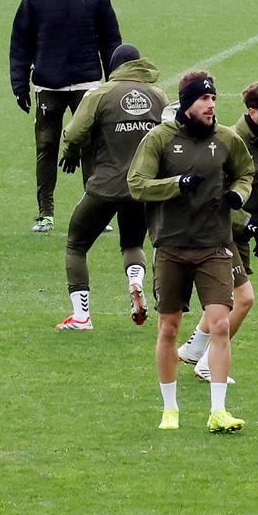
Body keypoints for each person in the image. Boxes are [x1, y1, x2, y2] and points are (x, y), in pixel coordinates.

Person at [126, 72, 253, 433]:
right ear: (186, 103)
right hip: (171, 248)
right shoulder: (160, 140)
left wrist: (238, 195)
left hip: (215, 247)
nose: (211, 105)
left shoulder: (227, 139)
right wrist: (176, 185)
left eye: (213, 100)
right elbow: (137, 185)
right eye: (203, 100)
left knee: (220, 326)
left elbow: (246, 172)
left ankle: (219, 411)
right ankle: (170, 408)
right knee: (168, 327)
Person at [9, 0, 121, 233]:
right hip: (48, 85)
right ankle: (45, 213)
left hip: (87, 84)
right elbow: (20, 43)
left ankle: (94, 211)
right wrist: (19, 84)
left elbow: (111, 40)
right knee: (46, 146)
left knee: (91, 147)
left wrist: (115, 78)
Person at [178, 80, 258, 382]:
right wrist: (248, 222)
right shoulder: (230, 143)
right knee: (243, 299)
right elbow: (217, 195)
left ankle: (194, 349)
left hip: (241, 230)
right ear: (252, 112)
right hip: (223, 230)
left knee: (225, 297)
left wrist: (256, 224)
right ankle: (210, 363)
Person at [53, 44, 166, 330]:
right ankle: (136, 281)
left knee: (76, 245)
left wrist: (70, 152)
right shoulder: (158, 95)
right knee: (132, 243)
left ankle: (81, 316)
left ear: (114, 67)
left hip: (105, 186)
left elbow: (74, 132)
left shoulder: (100, 94)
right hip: (141, 188)